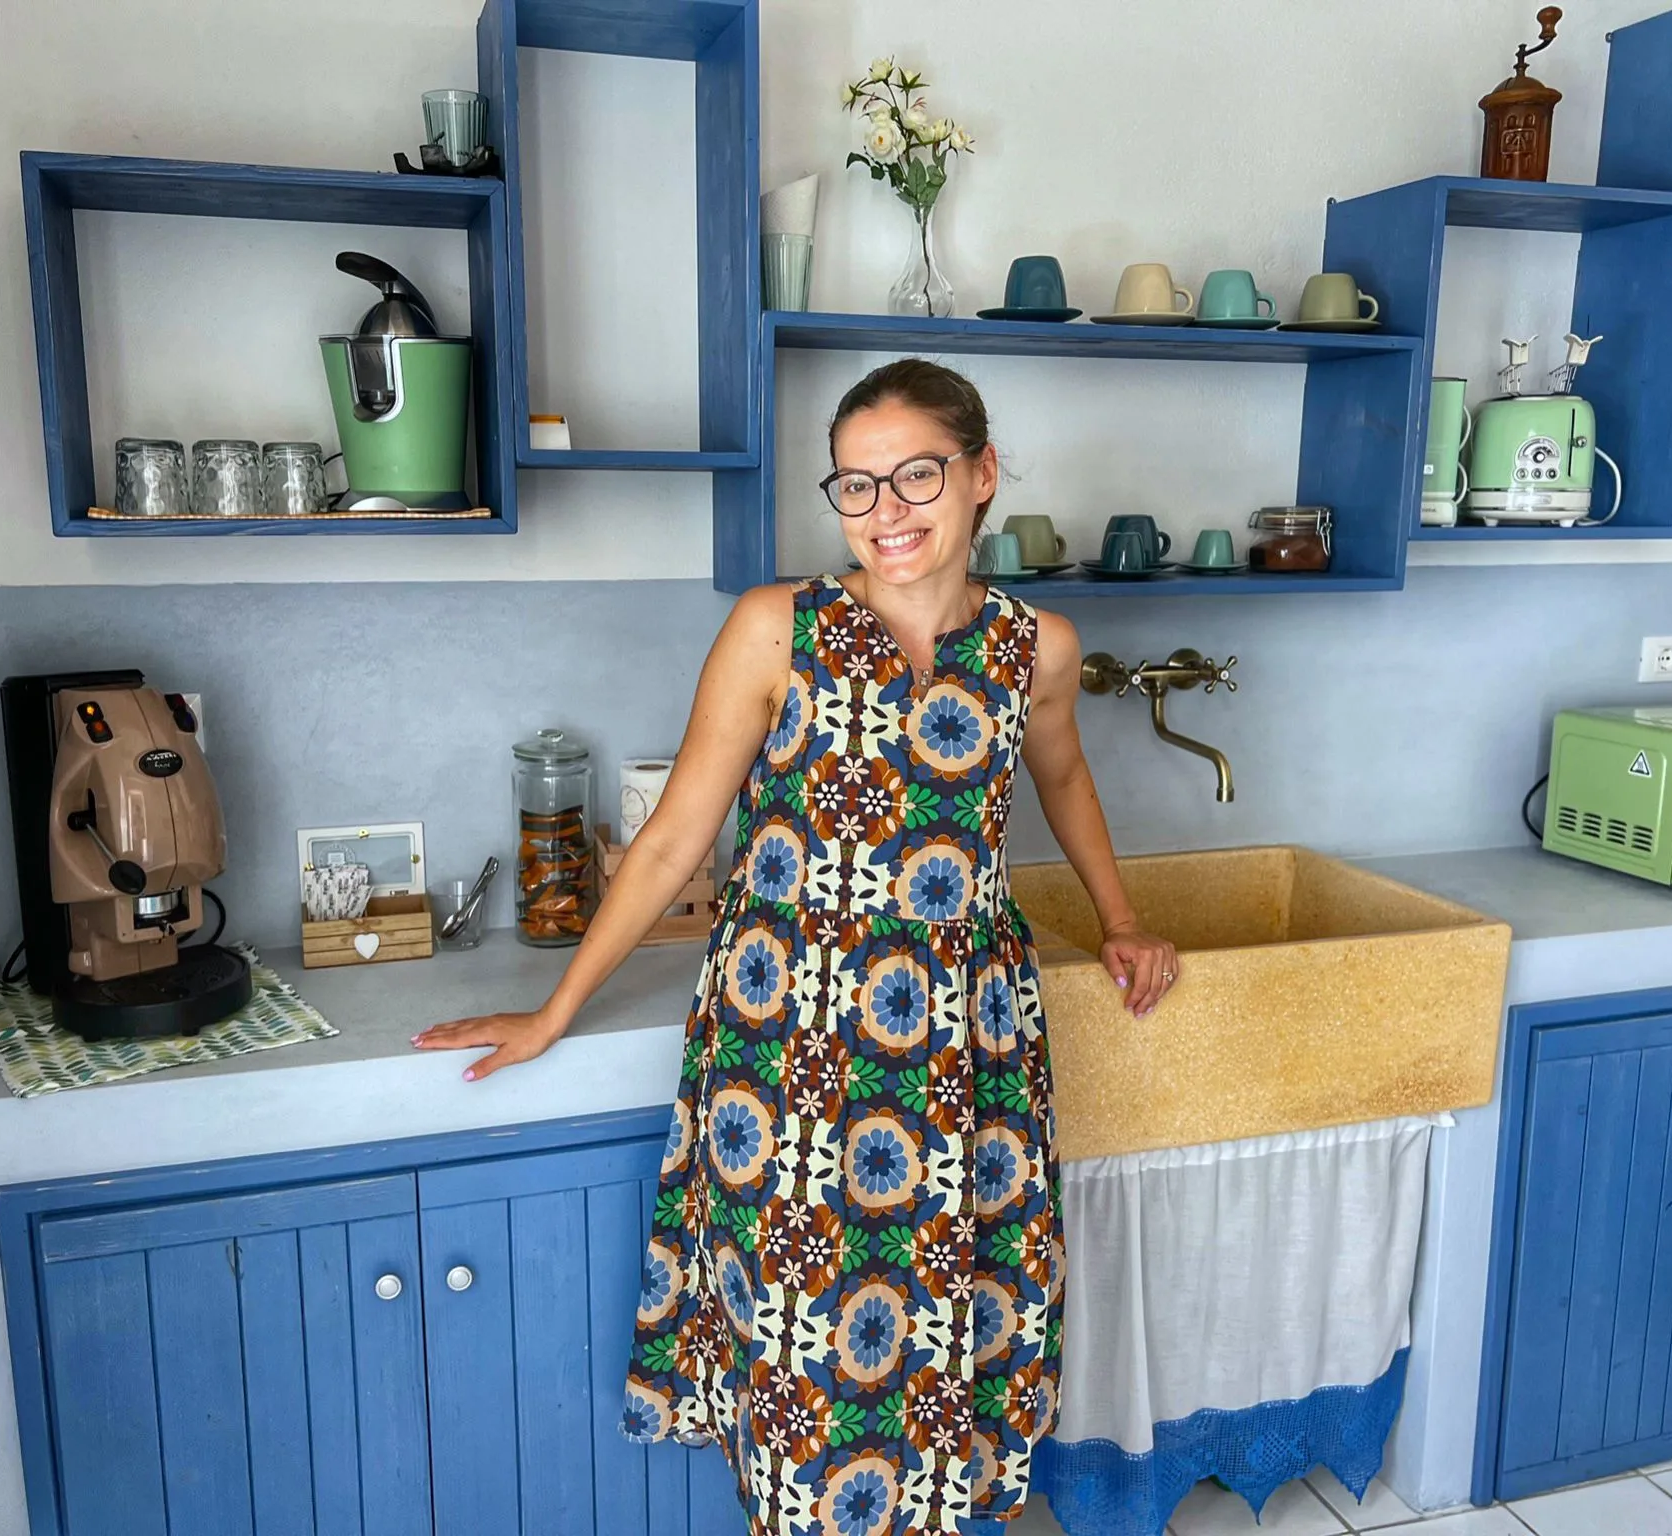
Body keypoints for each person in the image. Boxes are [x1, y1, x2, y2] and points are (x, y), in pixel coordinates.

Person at [415, 358, 1178, 1533]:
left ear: (981, 474)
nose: (884, 511)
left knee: (944, 1317)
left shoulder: (1039, 648)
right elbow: (673, 841)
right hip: (793, 1044)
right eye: (855, 485)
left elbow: (1064, 778)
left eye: (915, 475)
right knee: (805, 1341)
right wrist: (553, 1011)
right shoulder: (777, 629)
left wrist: (1119, 919)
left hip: (962, 1044)